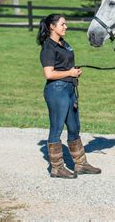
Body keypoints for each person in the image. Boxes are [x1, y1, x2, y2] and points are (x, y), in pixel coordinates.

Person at [37, 14, 101, 178]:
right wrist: (69, 73)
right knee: (56, 128)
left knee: (74, 128)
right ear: (52, 26)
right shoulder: (48, 47)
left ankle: (80, 164)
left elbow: (64, 65)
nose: (66, 27)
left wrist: (74, 72)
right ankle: (57, 168)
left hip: (69, 90)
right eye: (62, 24)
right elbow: (49, 74)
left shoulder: (64, 44)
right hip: (56, 91)